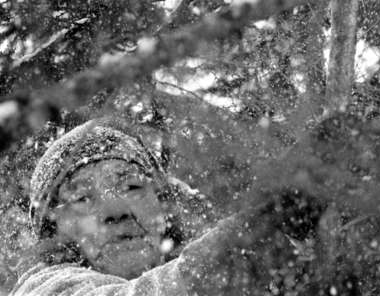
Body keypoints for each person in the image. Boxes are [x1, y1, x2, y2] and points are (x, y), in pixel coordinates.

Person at [10, 117, 317, 296]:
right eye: (81, 199)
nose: (116, 210)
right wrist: (253, 232)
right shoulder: (45, 289)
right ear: (53, 230)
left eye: (130, 186)